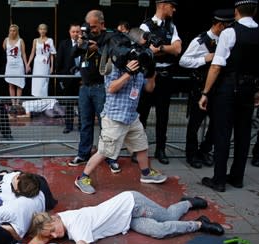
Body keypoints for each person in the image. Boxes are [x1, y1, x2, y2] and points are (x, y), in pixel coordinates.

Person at [74, 58, 167, 194]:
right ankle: (82, 178)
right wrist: (128, 73)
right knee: (105, 151)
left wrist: (152, 74)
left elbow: (149, 88)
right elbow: (111, 88)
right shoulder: (114, 66)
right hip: (114, 118)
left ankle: (146, 174)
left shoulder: (141, 69)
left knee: (141, 146)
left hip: (132, 117)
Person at [199, 0, 259, 192]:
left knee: (222, 134)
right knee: (243, 134)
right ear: (255, 11)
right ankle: (237, 177)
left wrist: (205, 92)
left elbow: (216, 66)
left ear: (236, 12)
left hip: (228, 88)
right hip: (249, 89)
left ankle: (219, 180)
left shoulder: (229, 32)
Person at [28, 191, 224, 244]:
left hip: (132, 203)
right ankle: (199, 223)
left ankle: (187, 203)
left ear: (54, 218)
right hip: (126, 221)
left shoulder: (74, 224)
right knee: (159, 231)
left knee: (170, 216)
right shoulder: (57, 222)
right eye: (51, 236)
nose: (55, 235)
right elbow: (40, 237)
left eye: (53, 230)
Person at [179, 9, 234, 169]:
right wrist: (204, 59)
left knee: (216, 124)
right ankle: (191, 154)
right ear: (219, 25)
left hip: (219, 88)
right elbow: (184, 61)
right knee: (194, 125)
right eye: (227, 26)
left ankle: (204, 150)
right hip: (200, 87)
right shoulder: (200, 41)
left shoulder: (228, 41)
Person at [137, 0, 182, 165]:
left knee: (164, 115)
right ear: (163, 5)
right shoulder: (145, 27)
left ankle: (160, 149)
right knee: (143, 114)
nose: (174, 9)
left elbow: (177, 49)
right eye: (172, 5)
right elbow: (144, 51)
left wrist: (160, 49)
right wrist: (164, 48)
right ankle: (139, 150)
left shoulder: (172, 26)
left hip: (166, 76)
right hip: (150, 74)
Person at [67, 10, 108, 168]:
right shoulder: (84, 37)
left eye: (94, 26)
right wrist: (79, 43)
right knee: (85, 123)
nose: (91, 30)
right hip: (84, 87)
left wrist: (97, 49)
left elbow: (112, 56)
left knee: (105, 124)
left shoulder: (108, 37)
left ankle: (109, 157)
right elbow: (73, 54)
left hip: (101, 87)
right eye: (89, 27)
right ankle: (83, 154)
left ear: (102, 24)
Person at [56, 23, 81, 134]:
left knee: (82, 105)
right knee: (69, 104)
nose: (75, 34)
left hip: (82, 79)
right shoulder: (64, 44)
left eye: (77, 31)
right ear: (69, 32)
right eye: (73, 31)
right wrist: (61, 79)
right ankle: (68, 126)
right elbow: (59, 62)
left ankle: (82, 125)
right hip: (68, 79)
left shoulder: (85, 43)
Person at [3, 24, 29, 110]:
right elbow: (3, 50)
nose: (12, 32)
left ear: (17, 31)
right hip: (10, 65)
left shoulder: (20, 41)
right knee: (11, 84)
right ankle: (13, 103)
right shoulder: (6, 40)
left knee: (19, 84)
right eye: (11, 30)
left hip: (19, 65)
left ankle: (17, 103)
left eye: (14, 30)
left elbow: (24, 53)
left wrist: (26, 65)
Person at [27, 23, 56, 98]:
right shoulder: (35, 40)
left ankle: (44, 98)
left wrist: (52, 66)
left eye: (44, 29)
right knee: (37, 81)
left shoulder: (50, 40)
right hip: (37, 62)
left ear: (46, 30)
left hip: (45, 62)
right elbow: (32, 53)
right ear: (38, 30)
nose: (42, 31)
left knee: (44, 81)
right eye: (41, 29)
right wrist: (28, 64)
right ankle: (37, 98)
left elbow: (52, 54)